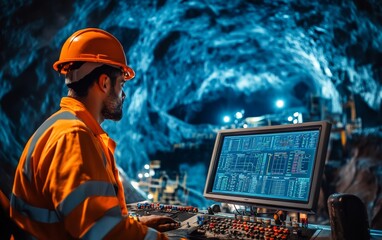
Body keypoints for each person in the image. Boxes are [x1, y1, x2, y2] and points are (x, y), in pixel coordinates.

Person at [10, 28, 177, 239]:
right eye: (121, 84)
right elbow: (102, 234)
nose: (123, 94)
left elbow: (85, 218)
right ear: (105, 83)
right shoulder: (73, 137)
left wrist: (134, 224)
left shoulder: (61, 127)